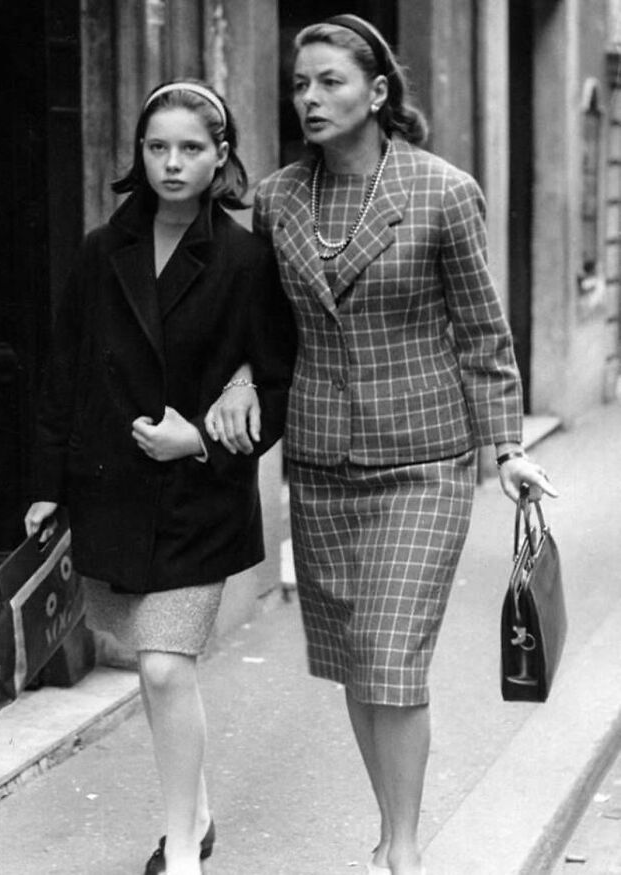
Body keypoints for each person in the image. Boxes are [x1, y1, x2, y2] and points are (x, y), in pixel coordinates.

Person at [204, 15, 558, 875]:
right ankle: (387, 823)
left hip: (424, 462)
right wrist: (243, 375)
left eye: (329, 81)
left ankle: (402, 851)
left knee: (391, 656)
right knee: (361, 666)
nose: (310, 98)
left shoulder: (442, 191)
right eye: (299, 83)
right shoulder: (279, 198)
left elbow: (483, 331)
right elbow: (258, 322)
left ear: (378, 93)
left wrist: (504, 446)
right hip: (322, 463)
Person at [24, 80, 296, 875]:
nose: (172, 163)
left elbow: (278, 384)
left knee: (164, 664)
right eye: (157, 147)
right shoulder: (99, 247)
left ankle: (182, 846)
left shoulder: (246, 258)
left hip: (197, 500)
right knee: (149, 664)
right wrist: (46, 484)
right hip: (106, 489)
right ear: (138, 154)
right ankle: (197, 808)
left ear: (221, 158)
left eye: (191, 148)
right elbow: (62, 370)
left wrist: (203, 441)